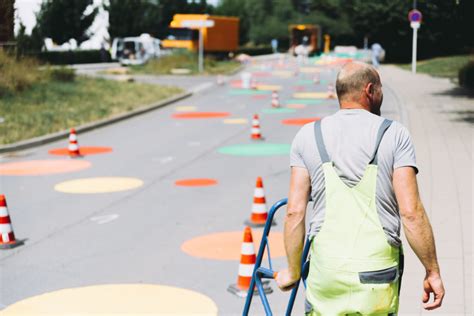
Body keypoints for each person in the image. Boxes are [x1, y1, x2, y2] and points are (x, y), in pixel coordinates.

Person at [276, 62, 445, 314]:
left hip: (326, 272)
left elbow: (294, 212)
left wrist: (292, 270)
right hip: (376, 275)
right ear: (369, 90)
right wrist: (432, 271)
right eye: (380, 89)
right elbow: (411, 212)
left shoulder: (307, 135)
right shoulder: (395, 135)